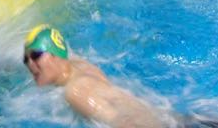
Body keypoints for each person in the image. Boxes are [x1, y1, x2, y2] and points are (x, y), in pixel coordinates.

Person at [23, 25, 164, 127]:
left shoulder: (76, 92)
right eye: (26, 59)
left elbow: (123, 122)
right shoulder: (79, 65)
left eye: (36, 56)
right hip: (162, 116)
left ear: (55, 56)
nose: (30, 64)